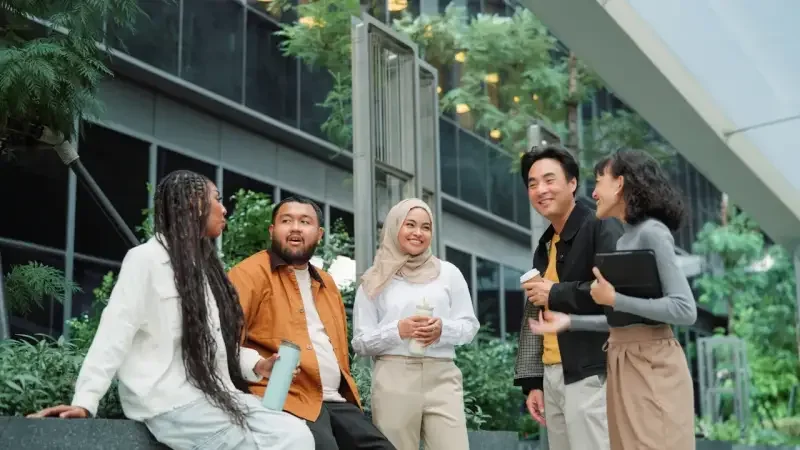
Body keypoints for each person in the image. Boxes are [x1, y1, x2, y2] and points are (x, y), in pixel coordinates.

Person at [27, 170, 314, 450]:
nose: (224, 208)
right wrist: (85, 402)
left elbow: (212, 345)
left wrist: (258, 366)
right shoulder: (145, 260)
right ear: (194, 203)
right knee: (255, 443)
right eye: (217, 199)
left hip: (215, 396)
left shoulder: (204, 270)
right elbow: (114, 333)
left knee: (296, 435)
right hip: (169, 403)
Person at [529, 149, 697, 450]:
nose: (593, 193)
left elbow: (685, 310)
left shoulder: (652, 232)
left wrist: (615, 298)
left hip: (652, 363)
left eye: (598, 181)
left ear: (619, 184)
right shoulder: (624, 239)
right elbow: (625, 321)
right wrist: (570, 322)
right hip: (623, 360)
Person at [227, 196, 395, 450]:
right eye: (286, 221)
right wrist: (258, 364)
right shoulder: (248, 273)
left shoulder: (327, 283)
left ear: (319, 234)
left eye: (305, 222)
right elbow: (223, 343)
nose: (295, 228)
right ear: (272, 230)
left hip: (336, 400)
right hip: (285, 397)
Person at [514, 146, 623, 450]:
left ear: (572, 183)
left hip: (591, 371)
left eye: (549, 180)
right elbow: (536, 314)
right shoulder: (547, 243)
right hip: (552, 373)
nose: (541, 190)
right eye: (533, 184)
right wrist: (534, 382)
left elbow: (617, 294)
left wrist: (555, 291)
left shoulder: (600, 225)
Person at [351, 199, 479, 450]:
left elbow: (469, 326)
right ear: (394, 226)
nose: (418, 233)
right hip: (393, 377)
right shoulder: (375, 279)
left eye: (426, 227)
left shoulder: (449, 273)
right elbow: (360, 342)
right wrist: (398, 331)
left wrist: (442, 329)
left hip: (443, 375)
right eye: (410, 225)